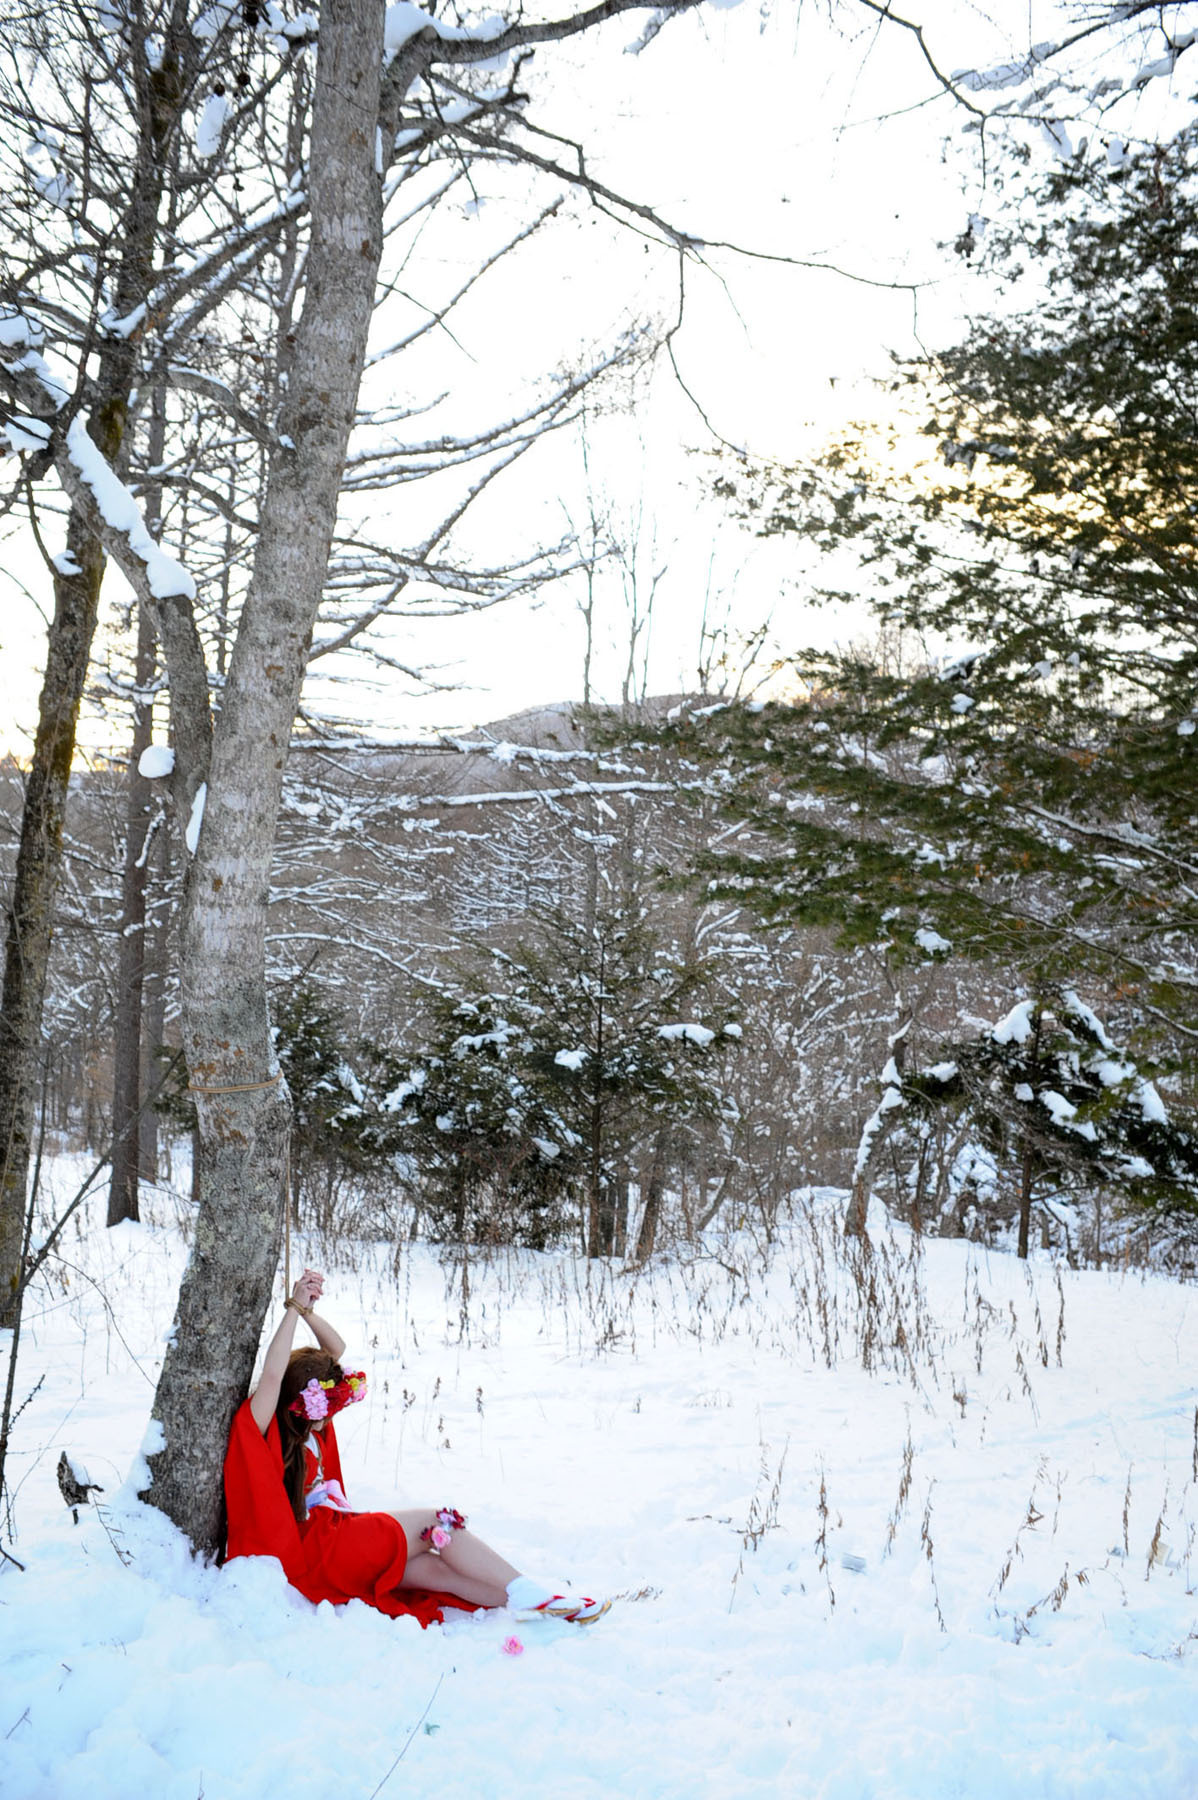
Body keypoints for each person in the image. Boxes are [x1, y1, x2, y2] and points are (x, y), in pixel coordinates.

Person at [223, 1267, 609, 1629]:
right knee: (439, 1523)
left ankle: (552, 1607)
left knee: (435, 1571)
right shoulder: (268, 1427)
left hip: (331, 1549)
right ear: (301, 1401)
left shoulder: (310, 1423)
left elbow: (335, 1349)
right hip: (323, 1548)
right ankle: (531, 1592)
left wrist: (307, 1310)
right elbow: (274, 1375)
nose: (332, 1416)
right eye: (329, 1405)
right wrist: (291, 1308)